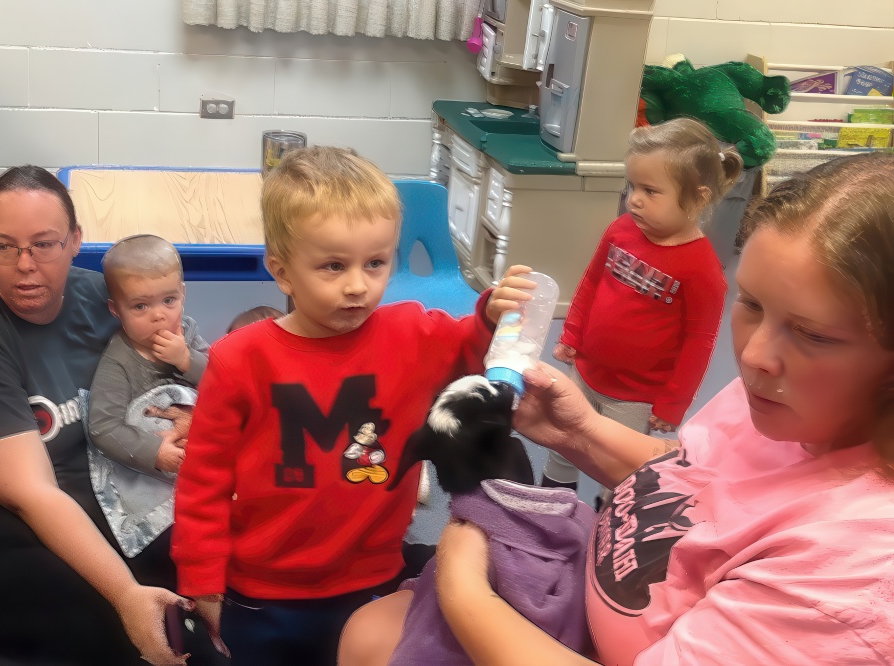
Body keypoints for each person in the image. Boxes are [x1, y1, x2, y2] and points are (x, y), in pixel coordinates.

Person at [340, 151, 894, 664]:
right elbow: (699, 481)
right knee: (367, 631)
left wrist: (463, 587)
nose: (751, 356)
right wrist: (581, 432)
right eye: (750, 303)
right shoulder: (791, 401)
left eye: (813, 334)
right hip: (580, 591)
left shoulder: (852, 579)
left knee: (372, 639)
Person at [170, 145, 527, 665]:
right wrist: (202, 580)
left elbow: (472, 346)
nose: (358, 285)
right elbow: (204, 479)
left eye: (376, 263)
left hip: (371, 576)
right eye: (333, 266)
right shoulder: (237, 359)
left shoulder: (411, 332)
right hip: (263, 589)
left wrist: (492, 312)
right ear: (283, 271)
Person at [0, 166, 196, 666]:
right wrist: (125, 595)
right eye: (4, 246)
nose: (25, 265)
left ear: (76, 241)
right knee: (103, 624)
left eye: (44, 244)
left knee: (205, 584)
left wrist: (190, 411)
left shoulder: (104, 300)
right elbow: (31, 495)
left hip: (100, 488)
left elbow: (179, 360)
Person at [542, 117, 742, 495]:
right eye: (632, 186)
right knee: (563, 446)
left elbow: (699, 343)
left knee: (619, 472)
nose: (634, 198)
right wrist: (572, 334)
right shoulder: (621, 231)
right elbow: (591, 283)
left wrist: (672, 405)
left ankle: (606, 537)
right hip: (585, 373)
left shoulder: (702, 271)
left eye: (650, 191)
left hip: (634, 398)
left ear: (698, 198)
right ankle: (549, 517)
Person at [87, 234, 209, 559]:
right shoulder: (118, 362)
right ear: (116, 309)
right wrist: (156, 452)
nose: (159, 315)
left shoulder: (188, 333)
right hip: (154, 473)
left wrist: (186, 359)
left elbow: (225, 383)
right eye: (140, 306)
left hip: (203, 459)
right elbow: (102, 426)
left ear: (183, 294)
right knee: (175, 545)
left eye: (169, 300)